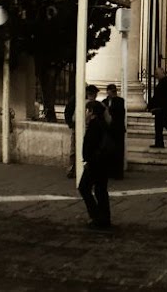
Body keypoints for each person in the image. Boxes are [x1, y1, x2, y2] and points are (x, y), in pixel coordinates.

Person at [78, 100, 113, 230]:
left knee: (84, 187)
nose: (85, 113)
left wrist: (87, 161)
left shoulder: (95, 125)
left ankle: (97, 216)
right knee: (100, 190)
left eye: (87, 110)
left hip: (95, 163)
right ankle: (104, 218)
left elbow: (91, 146)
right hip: (102, 163)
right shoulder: (102, 124)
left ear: (91, 112)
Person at [65, 84, 99, 176]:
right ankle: (73, 169)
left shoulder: (81, 101)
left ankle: (74, 169)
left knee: (76, 149)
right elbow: (71, 113)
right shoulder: (79, 101)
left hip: (80, 127)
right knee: (78, 149)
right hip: (81, 127)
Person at [102, 83, 126, 180]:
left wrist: (107, 109)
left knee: (119, 151)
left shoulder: (119, 101)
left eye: (110, 93)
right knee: (109, 151)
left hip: (118, 129)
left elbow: (117, 112)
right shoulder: (105, 101)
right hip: (109, 130)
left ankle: (118, 173)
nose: (109, 95)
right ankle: (110, 171)